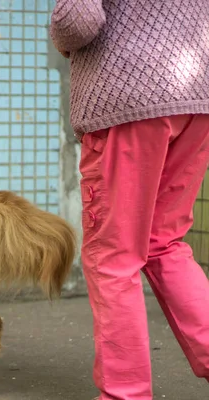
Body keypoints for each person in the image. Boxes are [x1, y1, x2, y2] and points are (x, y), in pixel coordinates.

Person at [49, 1, 209, 399]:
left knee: (113, 257)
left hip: (127, 99)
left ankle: (126, 394)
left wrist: (61, 39)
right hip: (197, 99)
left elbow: (76, 20)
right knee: (164, 243)